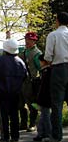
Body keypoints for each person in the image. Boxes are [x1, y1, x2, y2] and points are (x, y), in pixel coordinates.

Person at [0, 38, 27, 142]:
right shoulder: (21, 62)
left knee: (3, 115)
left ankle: (5, 137)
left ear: (5, 49)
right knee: (14, 114)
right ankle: (15, 137)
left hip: (2, 92)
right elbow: (25, 76)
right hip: (16, 92)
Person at [44, 11, 68, 142]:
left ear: (57, 21)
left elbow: (48, 56)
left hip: (59, 69)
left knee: (57, 104)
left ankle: (57, 135)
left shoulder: (53, 35)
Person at [19, 32, 42, 132]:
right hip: (22, 81)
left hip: (32, 82)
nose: (27, 41)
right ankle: (23, 123)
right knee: (20, 104)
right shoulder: (23, 51)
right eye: (26, 39)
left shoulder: (38, 53)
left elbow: (41, 69)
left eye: (30, 40)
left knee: (32, 104)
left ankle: (32, 124)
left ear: (34, 41)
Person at [33, 54, 51, 142]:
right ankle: (41, 133)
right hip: (45, 99)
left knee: (45, 117)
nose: (39, 63)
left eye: (40, 61)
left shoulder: (46, 72)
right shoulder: (46, 71)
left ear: (44, 62)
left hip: (44, 99)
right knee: (43, 117)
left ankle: (46, 134)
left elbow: (43, 88)